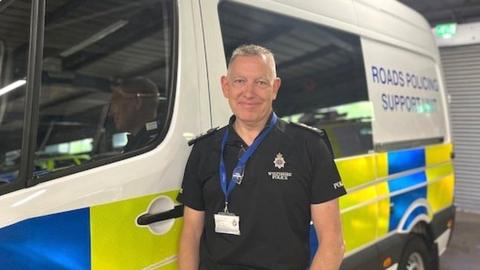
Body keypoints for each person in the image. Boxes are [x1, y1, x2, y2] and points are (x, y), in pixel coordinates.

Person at [177, 44, 346, 270]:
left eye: (261, 82)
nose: (249, 92)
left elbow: (333, 242)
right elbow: (191, 233)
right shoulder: (204, 150)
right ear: (225, 86)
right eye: (239, 81)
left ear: (275, 88)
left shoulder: (309, 146)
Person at [109, 77, 160, 152]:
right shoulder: (141, 143)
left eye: (116, 102)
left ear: (137, 102)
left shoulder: (154, 144)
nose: (111, 113)